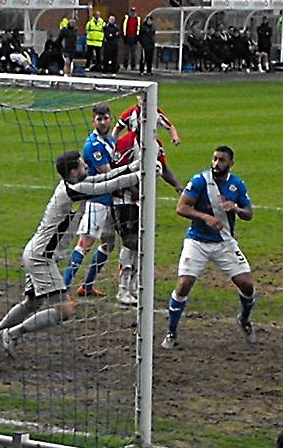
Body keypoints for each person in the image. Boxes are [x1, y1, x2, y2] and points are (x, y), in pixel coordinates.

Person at [0, 151, 143, 358]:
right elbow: (104, 187)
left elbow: (103, 178)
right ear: (74, 170)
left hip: (35, 253)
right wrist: (140, 176)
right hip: (41, 258)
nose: (87, 166)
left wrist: (134, 166)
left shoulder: (72, 185)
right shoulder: (73, 189)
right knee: (65, 310)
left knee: (32, 303)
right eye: (83, 165)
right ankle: (12, 334)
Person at [161, 146, 256, 349]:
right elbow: (182, 207)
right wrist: (205, 217)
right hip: (197, 241)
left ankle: (244, 319)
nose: (216, 164)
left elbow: (249, 213)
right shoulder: (200, 181)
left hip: (224, 243)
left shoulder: (237, 185)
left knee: (247, 285)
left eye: (221, 160)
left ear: (230, 163)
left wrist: (236, 208)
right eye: (214, 159)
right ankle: (171, 332)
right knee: (183, 285)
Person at [111, 124, 182, 305]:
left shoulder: (156, 144)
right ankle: (123, 288)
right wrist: (135, 189)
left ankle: (134, 286)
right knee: (130, 242)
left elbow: (163, 168)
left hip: (141, 201)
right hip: (123, 200)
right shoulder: (126, 142)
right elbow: (116, 171)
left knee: (140, 243)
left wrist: (177, 186)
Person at [63, 103, 116, 296]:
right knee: (84, 243)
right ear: (93, 121)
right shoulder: (93, 145)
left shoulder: (108, 141)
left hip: (109, 200)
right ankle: (63, 287)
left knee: (108, 244)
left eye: (106, 118)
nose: (103, 122)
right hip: (97, 200)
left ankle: (87, 286)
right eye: (99, 119)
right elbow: (108, 173)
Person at [113, 95, 181, 146]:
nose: (144, 98)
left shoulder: (155, 112)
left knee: (160, 160)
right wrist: (114, 143)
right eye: (141, 95)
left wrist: (175, 136)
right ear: (137, 97)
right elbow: (117, 128)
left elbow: (169, 126)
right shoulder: (130, 113)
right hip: (133, 144)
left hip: (151, 144)